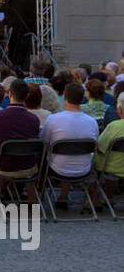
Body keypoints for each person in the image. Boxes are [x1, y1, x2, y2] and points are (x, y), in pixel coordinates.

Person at [41, 82, 101, 210]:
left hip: (57, 168)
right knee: (69, 156)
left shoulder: (53, 119)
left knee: (49, 158)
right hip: (84, 168)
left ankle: (38, 197)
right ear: (82, 99)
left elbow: (44, 143)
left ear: (65, 99)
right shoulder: (92, 121)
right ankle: (65, 196)